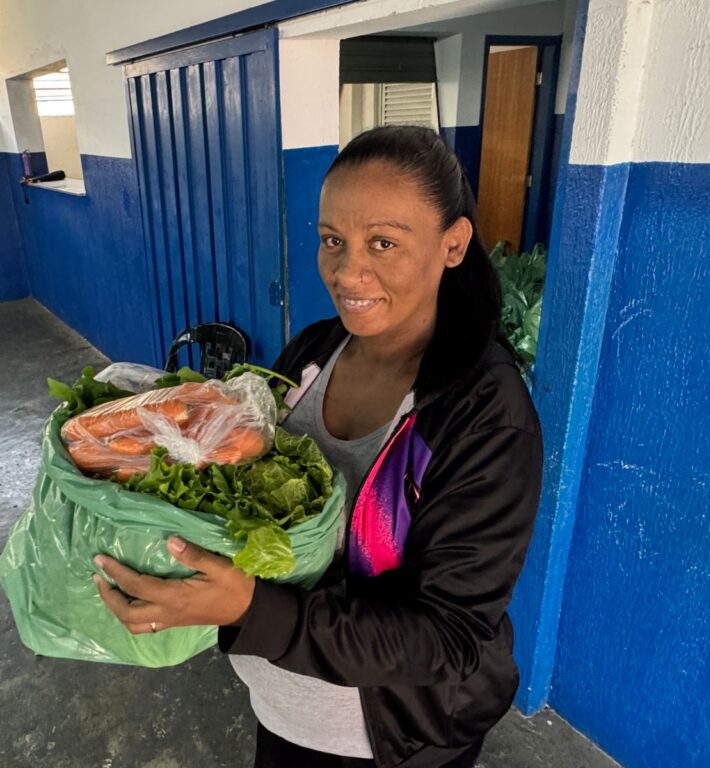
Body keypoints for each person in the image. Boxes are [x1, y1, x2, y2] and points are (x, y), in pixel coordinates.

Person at [92, 125, 544, 768]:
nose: (347, 271)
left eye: (383, 242)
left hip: (388, 742)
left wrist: (252, 610)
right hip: (281, 708)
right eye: (332, 240)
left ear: (453, 244)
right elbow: (250, 492)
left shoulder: (485, 415)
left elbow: (448, 637)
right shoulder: (313, 352)